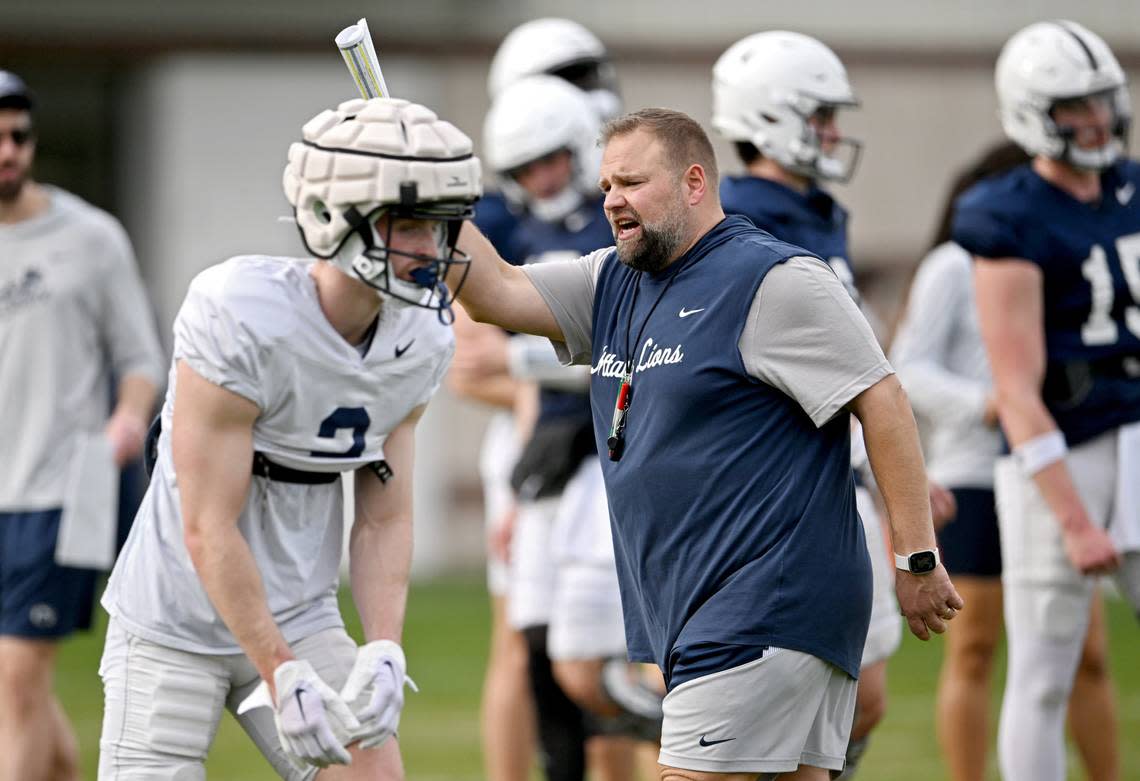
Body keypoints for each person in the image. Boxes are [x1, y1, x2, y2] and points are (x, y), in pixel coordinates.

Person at [452, 106, 962, 780]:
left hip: (758, 611)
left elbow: (884, 399)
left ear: (695, 182)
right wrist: (433, 195)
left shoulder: (772, 278)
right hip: (713, 618)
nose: (612, 201)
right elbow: (494, 290)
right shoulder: (611, 281)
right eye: (606, 185)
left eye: (632, 182)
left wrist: (916, 556)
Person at [97, 95, 481, 780]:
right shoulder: (240, 314)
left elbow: (384, 513)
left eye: (440, 226)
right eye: (407, 224)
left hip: (300, 609)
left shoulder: (420, 339)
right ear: (334, 218)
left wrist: (385, 645)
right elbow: (208, 524)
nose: (430, 250)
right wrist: (279, 669)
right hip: (174, 616)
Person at [893, 139, 1121, 781]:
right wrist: (989, 403)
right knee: (975, 648)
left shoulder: (1061, 252)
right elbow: (906, 368)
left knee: (1086, 653)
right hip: (973, 475)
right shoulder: (952, 263)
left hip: (1049, 470)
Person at [954, 20, 1140, 781]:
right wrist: (1071, 515)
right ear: (1033, 112)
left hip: (1135, 437)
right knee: (1042, 668)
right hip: (1060, 448)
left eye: (1102, 102)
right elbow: (1017, 389)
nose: (1095, 120)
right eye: (1075, 107)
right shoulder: (1007, 213)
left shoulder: (1130, 186)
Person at [711, 32, 900, 777]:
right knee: (787, 698)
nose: (831, 132)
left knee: (866, 692)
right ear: (768, 117)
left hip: (840, 467)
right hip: (780, 482)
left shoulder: (818, 210)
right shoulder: (740, 217)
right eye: (818, 114)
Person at [464, 20, 629, 781]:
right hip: (546, 443)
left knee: (609, 648)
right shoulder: (498, 222)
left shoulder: (617, 202)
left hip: (614, 437)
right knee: (531, 642)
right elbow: (473, 359)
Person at [0, 70, 164, 781]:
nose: (7, 150)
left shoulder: (92, 238)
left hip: (57, 493)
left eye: (17, 136)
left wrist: (127, 421)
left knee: (16, 681)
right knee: (16, 693)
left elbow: (140, 360)